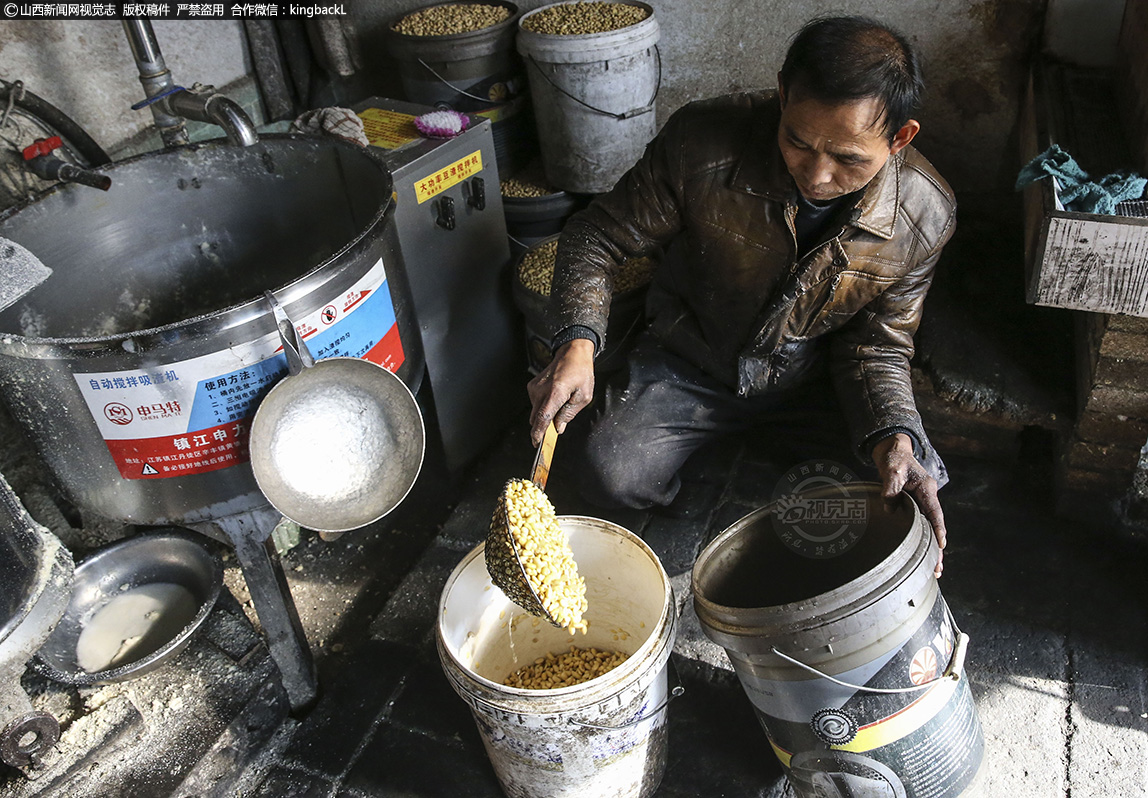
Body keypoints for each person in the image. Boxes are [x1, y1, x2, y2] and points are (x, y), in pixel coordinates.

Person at [527, 16, 954, 577]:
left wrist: (894, 432)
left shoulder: (923, 215)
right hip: (692, 359)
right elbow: (597, 235)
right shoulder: (702, 143)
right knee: (608, 471)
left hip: (811, 378)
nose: (818, 175)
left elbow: (878, 348)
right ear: (782, 95)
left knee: (898, 484)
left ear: (900, 138)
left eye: (849, 158)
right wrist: (578, 341)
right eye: (798, 141)